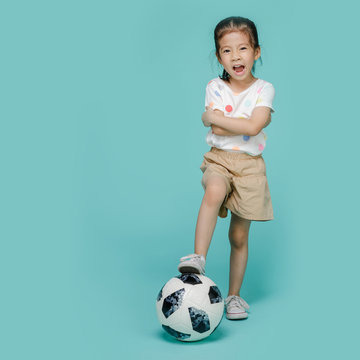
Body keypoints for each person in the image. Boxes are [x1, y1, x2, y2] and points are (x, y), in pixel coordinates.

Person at [178, 16, 276, 320]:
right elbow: (222, 134)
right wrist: (241, 125)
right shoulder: (215, 86)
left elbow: (253, 124)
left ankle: (234, 297)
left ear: (256, 52)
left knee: (238, 236)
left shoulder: (264, 89)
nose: (236, 56)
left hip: (250, 167)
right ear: (219, 56)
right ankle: (198, 258)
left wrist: (213, 118)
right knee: (215, 188)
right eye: (227, 51)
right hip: (219, 158)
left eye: (243, 48)